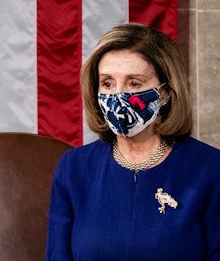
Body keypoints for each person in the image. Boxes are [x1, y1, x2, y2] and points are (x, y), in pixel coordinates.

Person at [46, 23, 220, 260]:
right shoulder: (73, 169)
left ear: (166, 92)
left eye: (134, 83)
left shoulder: (210, 169)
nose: (118, 95)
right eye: (107, 83)